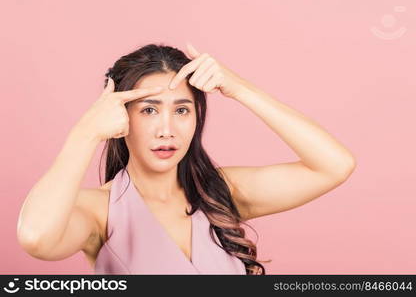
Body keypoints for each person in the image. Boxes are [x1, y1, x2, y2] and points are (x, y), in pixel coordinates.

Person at [17, 42, 356, 275]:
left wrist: (239, 88)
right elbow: (36, 238)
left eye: (181, 110)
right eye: (149, 110)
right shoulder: (98, 212)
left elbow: (334, 165)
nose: (167, 129)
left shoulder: (218, 192)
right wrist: (85, 133)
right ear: (121, 118)